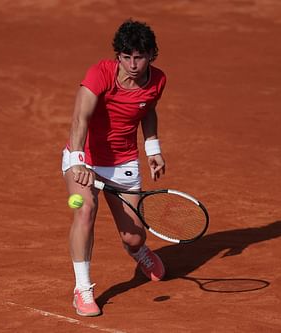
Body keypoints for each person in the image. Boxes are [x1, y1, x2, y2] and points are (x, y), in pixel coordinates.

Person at [61, 19, 167, 317]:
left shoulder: (157, 80)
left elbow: (147, 110)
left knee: (133, 236)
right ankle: (82, 288)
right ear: (118, 56)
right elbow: (80, 119)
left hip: (123, 161)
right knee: (85, 209)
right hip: (85, 158)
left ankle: (138, 252)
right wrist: (80, 159)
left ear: (151, 56)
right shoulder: (100, 74)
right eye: (127, 57)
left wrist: (153, 147)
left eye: (140, 57)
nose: (133, 65)